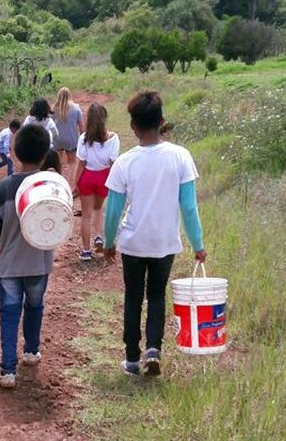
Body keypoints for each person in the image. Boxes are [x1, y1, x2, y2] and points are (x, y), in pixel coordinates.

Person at [104, 91, 206, 377]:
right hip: (164, 242)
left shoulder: (125, 162)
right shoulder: (180, 156)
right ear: (161, 122)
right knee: (157, 295)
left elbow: (113, 211)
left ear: (133, 126)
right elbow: (189, 208)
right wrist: (198, 245)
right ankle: (153, 350)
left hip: (133, 243)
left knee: (133, 297)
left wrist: (109, 242)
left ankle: (131, 358)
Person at [0, 124, 54, 388]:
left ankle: (7, 370)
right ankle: (31, 350)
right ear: (45, 154)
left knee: (9, 313)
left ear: (14, 152)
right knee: (35, 306)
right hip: (39, 262)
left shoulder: (4, 187)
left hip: (10, 263)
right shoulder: (48, 185)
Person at [73, 103, 120, 261]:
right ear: (104, 118)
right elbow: (113, 163)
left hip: (87, 177)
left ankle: (86, 251)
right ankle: (99, 236)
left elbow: (81, 163)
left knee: (86, 215)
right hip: (104, 177)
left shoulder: (84, 138)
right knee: (98, 208)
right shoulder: (113, 138)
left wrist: (75, 184)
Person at [52, 87, 84, 188]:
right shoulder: (76, 108)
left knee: (57, 162)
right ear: (70, 95)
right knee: (72, 162)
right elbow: (81, 125)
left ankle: (57, 181)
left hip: (57, 139)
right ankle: (68, 183)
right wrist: (83, 139)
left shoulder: (54, 108)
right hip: (71, 140)